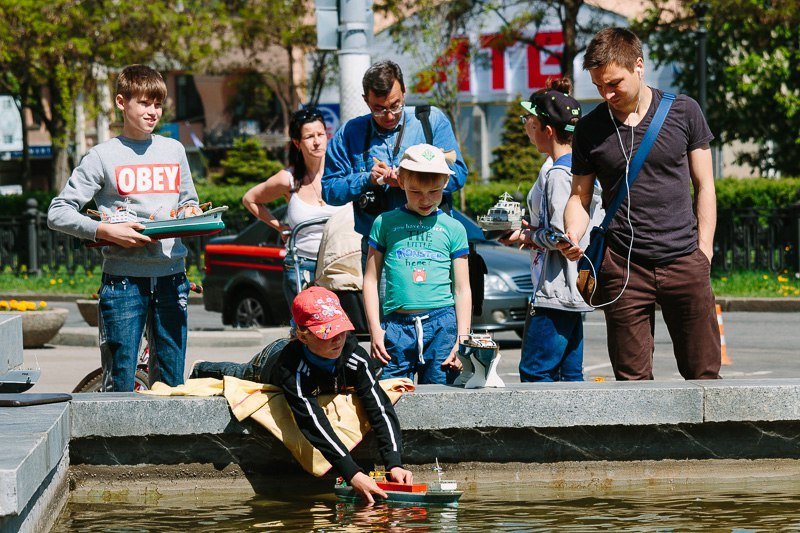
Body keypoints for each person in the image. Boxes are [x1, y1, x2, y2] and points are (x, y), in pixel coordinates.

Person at [560, 27, 721, 380]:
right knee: (631, 385)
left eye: (614, 83)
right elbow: (579, 197)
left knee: (705, 376)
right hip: (622, 265)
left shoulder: (683, 111)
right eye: (599, 86)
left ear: (638, 66)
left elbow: (705, 185)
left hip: (684, 258)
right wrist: (573, 232)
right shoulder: (589, 129)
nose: (607, 93)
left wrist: (703, 251)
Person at [48, 64, 201, 392]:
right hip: (123, 282)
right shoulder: (102, 156)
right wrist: (105, 232)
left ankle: (168, 443)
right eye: (144, 103)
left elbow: (189, 201)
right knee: (120, 382)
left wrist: (190, 212)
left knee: (173, 385)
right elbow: (57, 213)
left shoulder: (174, 150)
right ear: (121, 102)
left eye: (158, 104)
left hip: (172, 278)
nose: (152, 112)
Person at [190, 286, 414, 503]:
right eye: (328, 333)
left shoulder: (356, 357)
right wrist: (352, 473)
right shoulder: (290, 369)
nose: (337, 339)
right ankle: (201, 368)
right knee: (240, 373)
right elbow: (312, 422)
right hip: (270, 360)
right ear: (304, 336)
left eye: (341, 330)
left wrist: (394, 463)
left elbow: (380, 409)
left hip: (321, 374)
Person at [321, 60, 468, 269]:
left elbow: (459, 174)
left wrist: (412, 178)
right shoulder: (350, 133)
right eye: (378, 109)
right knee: (379, 302)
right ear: (366, 101)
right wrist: (367, 179)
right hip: (380, 246)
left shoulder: (430, 121)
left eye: (395, 105)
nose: (389, 115)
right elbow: (329, 190)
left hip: (433, 240)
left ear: (405, 92)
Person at [502, 79, 603, 382]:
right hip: (575, 290)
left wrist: (528, 236)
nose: (526, 126)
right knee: (571, 376)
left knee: (535, 373)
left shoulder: (559, 175)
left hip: (554, 291)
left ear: (547, 131)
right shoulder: (582, 171)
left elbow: (561, 237)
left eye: (530, 121)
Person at [364, 144, 471, 384]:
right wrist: (375, 330)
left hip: (442, 326)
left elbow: (463, 288)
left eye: (434, 191)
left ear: (445, 183)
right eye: (415, 191)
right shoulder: (384, 223)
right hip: (395, 327)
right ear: (401, 182)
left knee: (441, 400)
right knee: (390, 398)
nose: (425, 199)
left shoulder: (454, 228)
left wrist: (462, 338)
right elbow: (370, 280)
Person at [242, 108, 345, 306]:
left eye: (320, 134)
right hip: (302, 266)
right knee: (306, 331)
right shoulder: (288, 179)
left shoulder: (342, 172)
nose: (317, 141)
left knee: (343, 331)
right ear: (297, 143)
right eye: (309, 137)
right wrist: (280, 227)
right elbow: (250, 199)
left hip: (340, 265)